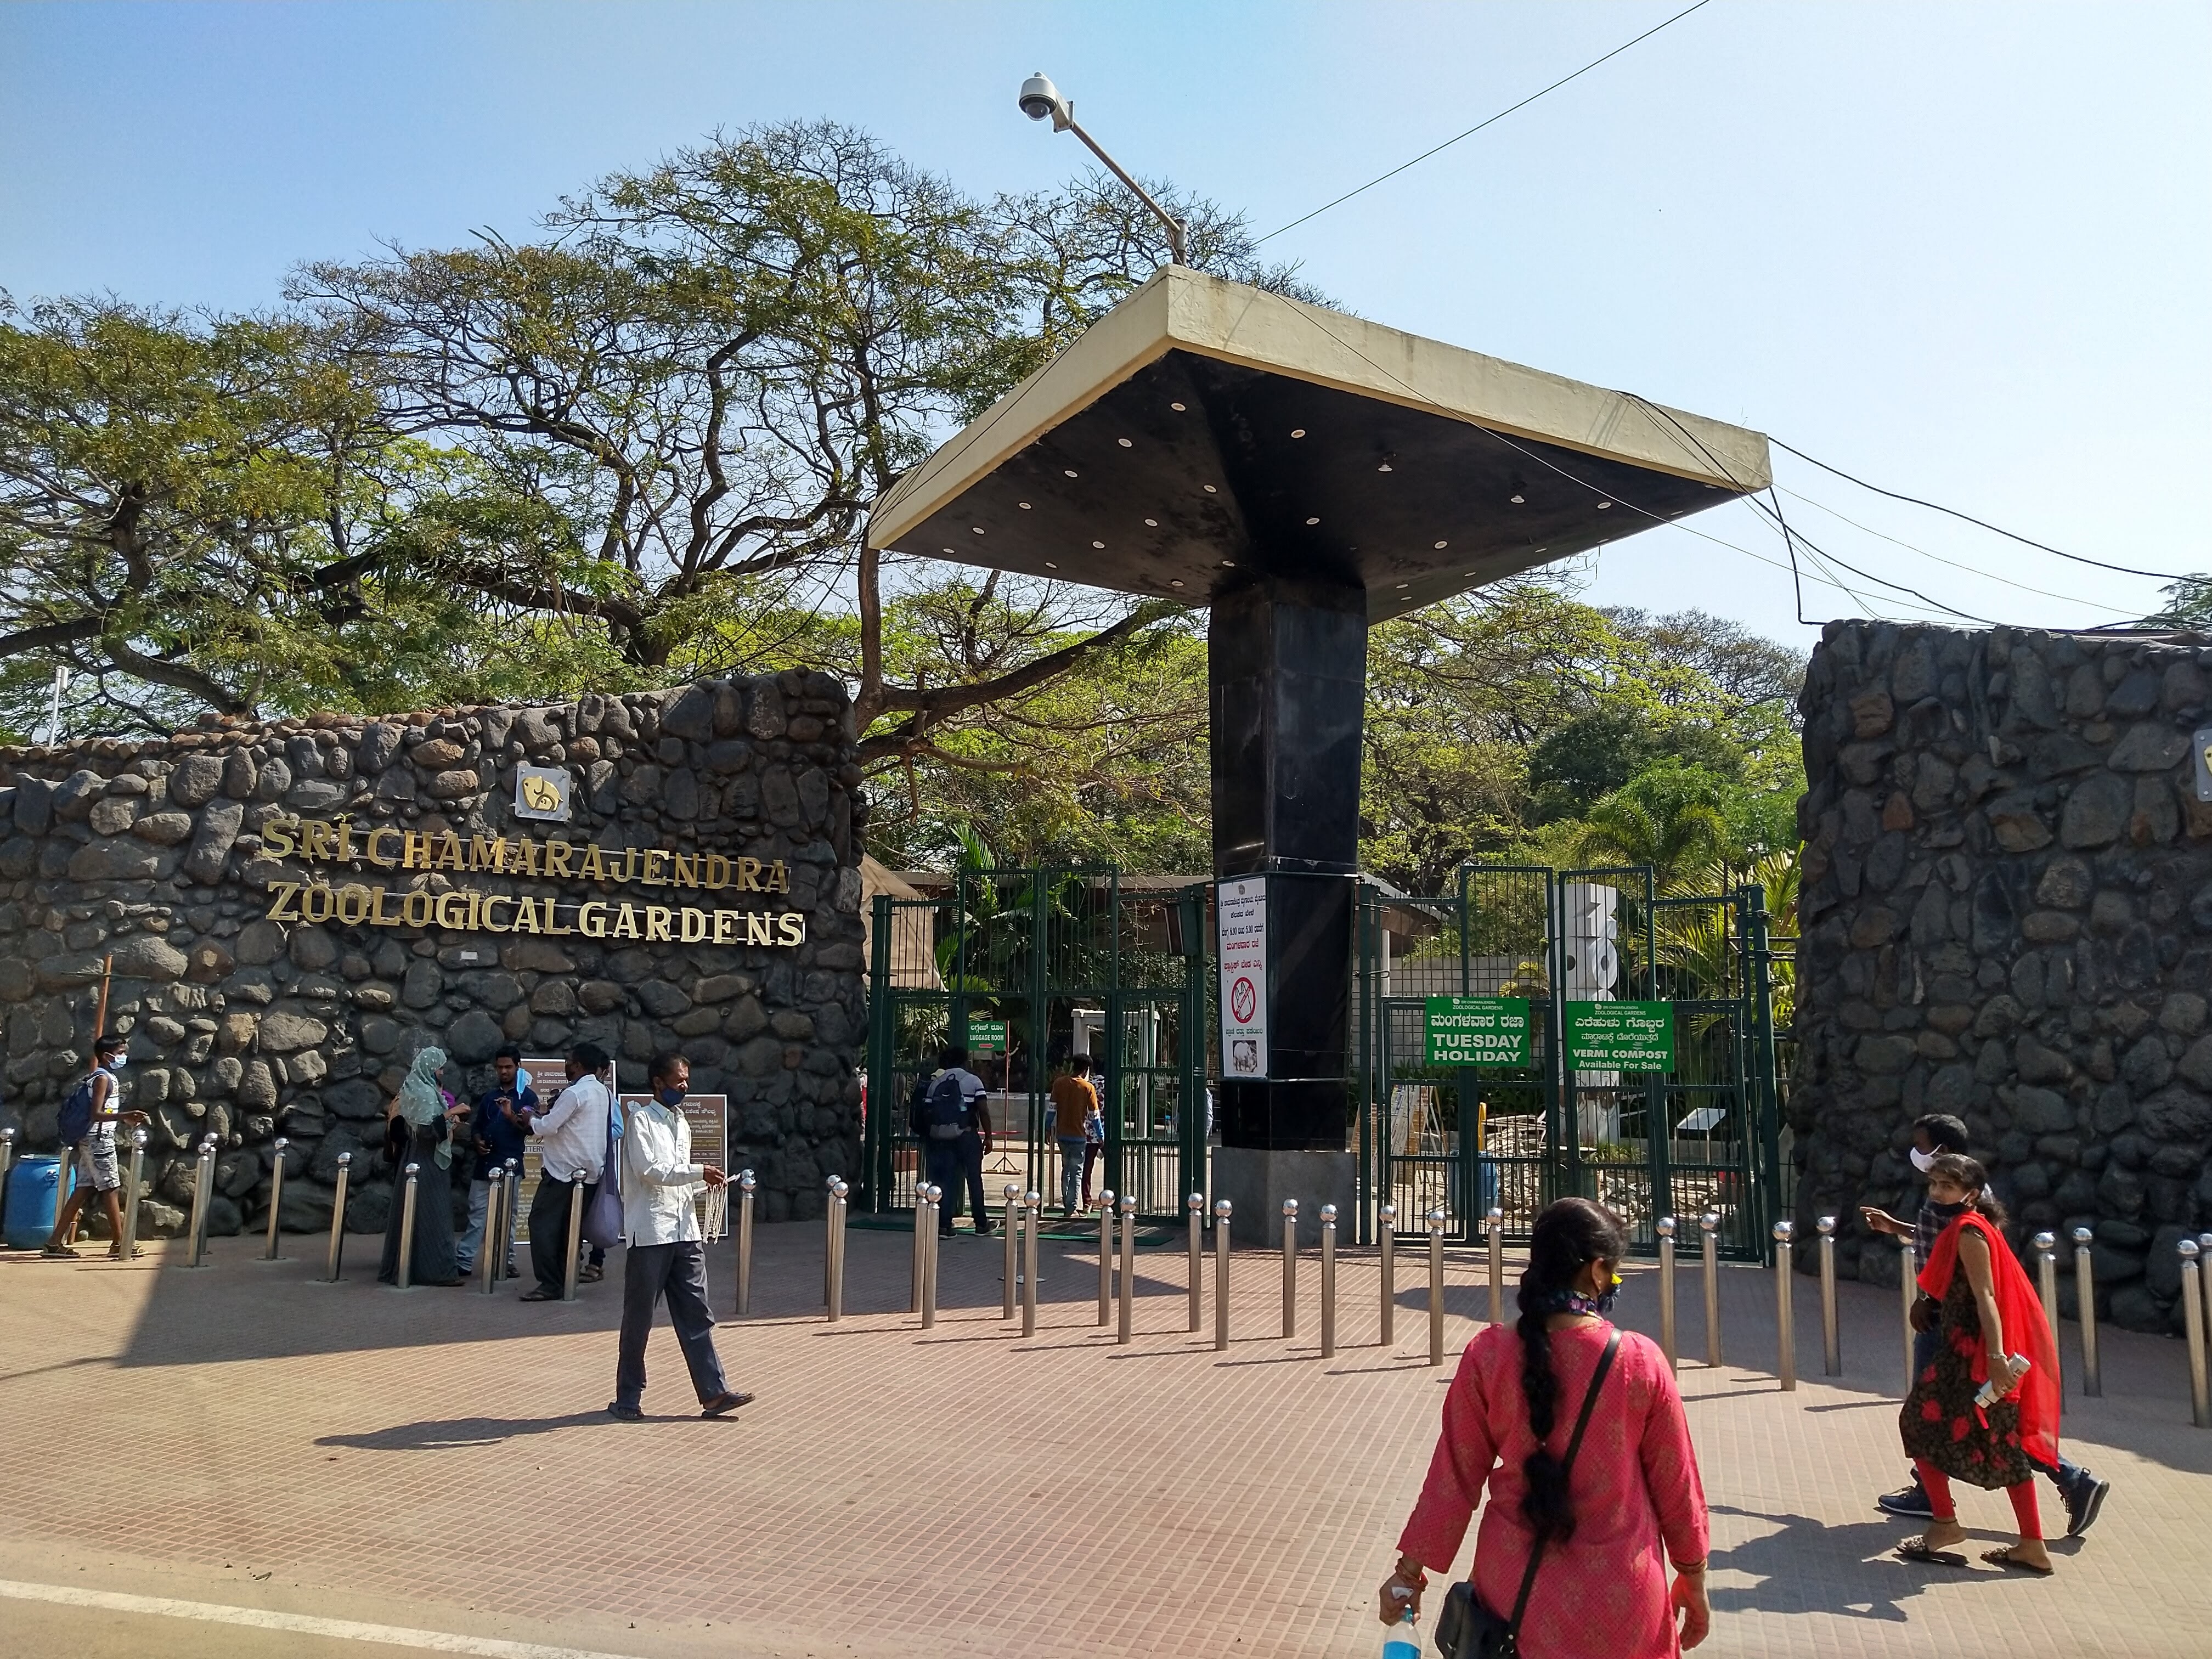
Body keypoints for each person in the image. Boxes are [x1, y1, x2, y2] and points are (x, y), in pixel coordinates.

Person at [1380, 1197, 1711, 1657]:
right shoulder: (1641, 1363)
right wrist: (1692, 1575)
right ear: (1597, 1272)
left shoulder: (1488, 1355)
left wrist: (1408, 1575)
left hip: (1513, 1601)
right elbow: (1677, 1485)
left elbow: (1452, 1479)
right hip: (1622, 1603)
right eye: (1615, 1272)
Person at [1862, 1113, 2109, 1535]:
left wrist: (1979, 1342)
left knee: (1951, 1418)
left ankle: (2067, 1480)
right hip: (1950, 1321)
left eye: (1922, 1146)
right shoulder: (1952, 1195)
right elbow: (1939, 1243)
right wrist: (1897, 1229)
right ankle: (1939, 1501)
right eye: (1933, 1184)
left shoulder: (1968, 1211)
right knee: (1947, 1416)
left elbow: (1978, 1283)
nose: (1933, 1181)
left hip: (1956, 1328)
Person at [1893, 1154, 2063, 1575]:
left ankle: (1947, 1525)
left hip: (1971, 1353)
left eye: (1947, 1186)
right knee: (2001, 1446)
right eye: (1934, 1184)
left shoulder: (1969, 1231)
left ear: (1970, 1193)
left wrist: (1996, 1359)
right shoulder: (1970, 1226)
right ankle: (2028, 1545)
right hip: (1967, 1348)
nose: (1937, 1192)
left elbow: (1986, 1297)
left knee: (1919, 1424)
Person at [608, 1052, 750, 1421]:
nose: (685, 1086)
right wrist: (699, 1172)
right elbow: (651, 1172)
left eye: (687, 1080)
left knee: (697, 1314)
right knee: (639, 1318)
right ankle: (628, 1398)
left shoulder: (681, 1122)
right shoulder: (641, 1121)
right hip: (652, 1232)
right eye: (678, 1080)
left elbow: (677, 1180)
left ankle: (714, 1393)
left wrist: (707, 1184)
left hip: (685, 1231)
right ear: (658, 1082)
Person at [518, 1041, 612, 1301]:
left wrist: (531, 1120)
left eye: (569, 1061)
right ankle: (565, 1278)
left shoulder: (575, 1093)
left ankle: (551, 1283)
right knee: (569, 1230)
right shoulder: (602, 1092)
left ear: (578, 1065)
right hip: (589, 1172)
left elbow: (548, 1126)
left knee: (542, 1224)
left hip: (563, 1173)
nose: (566, 1065)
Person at [42, 1036, 148, 1260]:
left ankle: (54, 1243)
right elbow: (96, 1114)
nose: (124, 1056)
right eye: (121, 1052)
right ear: (108, 1056)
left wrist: (121, 1118)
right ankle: (120, 1242)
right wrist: (125, 1116)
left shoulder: (103, 1077)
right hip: (98, 1140)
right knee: (110, 1187)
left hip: (92, 1139)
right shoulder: (102, 1079)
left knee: (83, 1188)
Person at [377, 1047, 467, 1286]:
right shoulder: (426, 1094)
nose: (442, 1072)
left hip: (413, 1159)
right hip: (427, 1163)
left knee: (414, 1216)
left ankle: (410, 1269)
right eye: (439, 1067)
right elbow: (427, 1131)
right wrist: (452, 1113)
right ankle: (437, 1272)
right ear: (429, 1068)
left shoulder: (412, 1089)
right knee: (434, 1216)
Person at [456, 1045, 536, 1279]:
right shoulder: (490, 1096)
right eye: (500, 1067)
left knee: (508, 1216)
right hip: (485, 1165)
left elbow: (530, 1130)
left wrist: (511, 1115)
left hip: (511, 1165)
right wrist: (477, 1140)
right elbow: (478, 1126)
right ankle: (464, 1261)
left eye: (508, 1067)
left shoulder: (527, 1097)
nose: (503, 1072)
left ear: (518, 1067)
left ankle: (507, 1260)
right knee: (477, 1214)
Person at [910, 1044, 992, 1237]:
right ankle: (981, 1223)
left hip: (942, 1138)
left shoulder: (937, 1083)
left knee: (945, 1180)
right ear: (965, 1061)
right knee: (974, 1179)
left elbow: (928, 1112)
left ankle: (944, 1226)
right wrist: (988, 1136)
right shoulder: (973, 1081)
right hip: (967, 1136)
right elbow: (983, 1110)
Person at [1047, 1056, 1100, 1220]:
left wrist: (1047, 1129)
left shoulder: (1059, 1084)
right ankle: (1071, 1207)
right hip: (1079, 1136)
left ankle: (1066, 1203)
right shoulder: (1088, 1088)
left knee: (1066, 1170)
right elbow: (1095, 1116)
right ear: (1085, 1070)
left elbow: (1051, 1110)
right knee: (1077, 1171)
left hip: (1062, 1135)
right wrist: (1101, 1136)